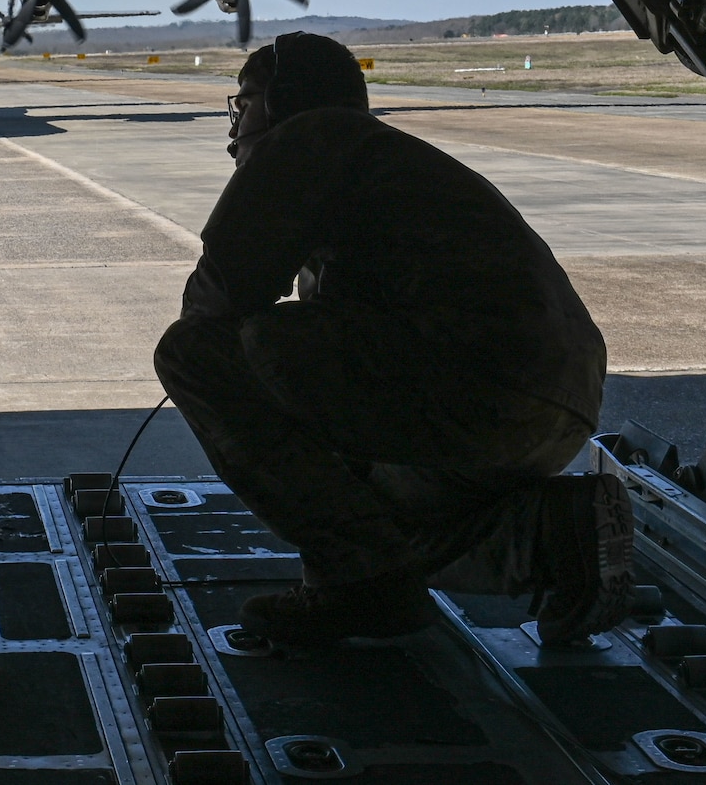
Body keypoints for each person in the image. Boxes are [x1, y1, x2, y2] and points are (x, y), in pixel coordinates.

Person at [154, 33, 627, 646]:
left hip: (472, 386)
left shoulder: (310, 137)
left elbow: (222, 292)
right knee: (372, 511)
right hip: (549, 406)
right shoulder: (382, 160)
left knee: (196, 354)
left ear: (283, 101)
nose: (234, 126)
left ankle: (356, 586)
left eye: (244, 103)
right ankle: (553, 535)